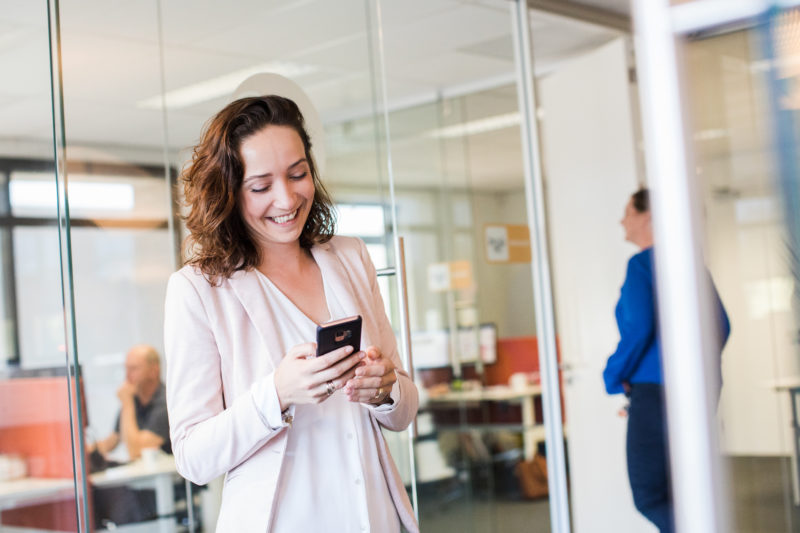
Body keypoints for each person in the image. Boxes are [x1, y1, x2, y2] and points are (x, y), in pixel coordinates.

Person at [164, 95, 419, 532]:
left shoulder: (351, 257)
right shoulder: (198, 290)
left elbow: (403, 410)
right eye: (261, 186)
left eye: (298, 174)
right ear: (228, 191)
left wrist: (387, 388)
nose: (287, 198)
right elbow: (192, 457)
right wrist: (275, 395)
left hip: (375, 517)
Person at [602, 188, 730, 533]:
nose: (622, 220)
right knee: (681, 490)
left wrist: (615, 376)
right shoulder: (689, 263)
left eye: (627, 211)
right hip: (698, 388)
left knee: (650, 494)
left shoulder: (642, 264)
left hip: (655, 391)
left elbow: (639, 327)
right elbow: (723, 325)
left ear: (648, 216)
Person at [92, 344, 170, 461]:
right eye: (126, 369)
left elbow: (136, 450)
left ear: (153, 371)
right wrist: (87, 449)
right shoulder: (134, 400)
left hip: (170, 477)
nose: (127, 376)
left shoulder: (165, 403)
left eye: (134, 369)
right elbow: (113, 440)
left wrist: (127, 403)